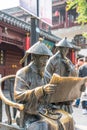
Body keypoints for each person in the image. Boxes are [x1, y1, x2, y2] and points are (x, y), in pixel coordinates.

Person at [14, 39, 75, 130]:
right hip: (29, 112)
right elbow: (18, 96)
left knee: (69, 118)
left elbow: (51, 95)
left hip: (46, 109)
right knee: (43, 126)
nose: (45, 62)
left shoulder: (46, 73)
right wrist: (41, 90)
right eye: (43, 59)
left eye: (46, 59)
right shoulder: (23, 73)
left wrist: (65, 95)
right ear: (34, 58)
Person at [44, 37, 77, 113]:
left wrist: (70, 68)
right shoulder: (52, 60)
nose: (66, 51)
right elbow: (46, 74)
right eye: (64, 49)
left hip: (64, 88)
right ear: (59, 49)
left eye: (67, 49)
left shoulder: (67, 61)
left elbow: (75, 74)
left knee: (68, 102)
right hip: (54, 88)